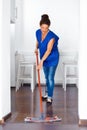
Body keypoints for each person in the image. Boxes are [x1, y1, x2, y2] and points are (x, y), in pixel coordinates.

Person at [35, 14, 59, 104]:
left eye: (46, 28)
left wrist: (41, 62)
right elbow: (38, 40)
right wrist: (36, 48)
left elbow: (49, 50)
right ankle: (47, 94)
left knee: (50, 77)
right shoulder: (38, 32)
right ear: (40, 26)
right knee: (46, 77)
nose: (44, 30)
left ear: (49, 27)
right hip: (44, 58)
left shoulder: (51, 37)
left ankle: (50, 97)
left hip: (52, 58)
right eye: (42, 27)